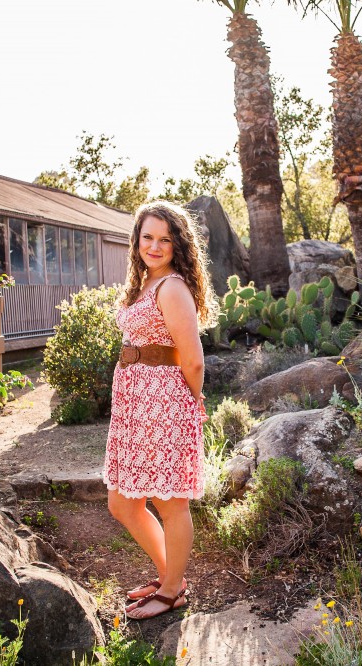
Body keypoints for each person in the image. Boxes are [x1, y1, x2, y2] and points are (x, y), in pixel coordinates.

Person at [104, 200, 219, 620]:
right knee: (124, 503)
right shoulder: (143, 283)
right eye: (147, 237)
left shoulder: (171, 287)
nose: (154, 246)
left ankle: (172, 591)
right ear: (136, 240)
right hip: (134, 403)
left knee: (171, 503)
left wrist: (191, 401)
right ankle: (170, 575)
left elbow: (193, 360)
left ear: (178, 246)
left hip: (163, 403)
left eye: (165, 239)